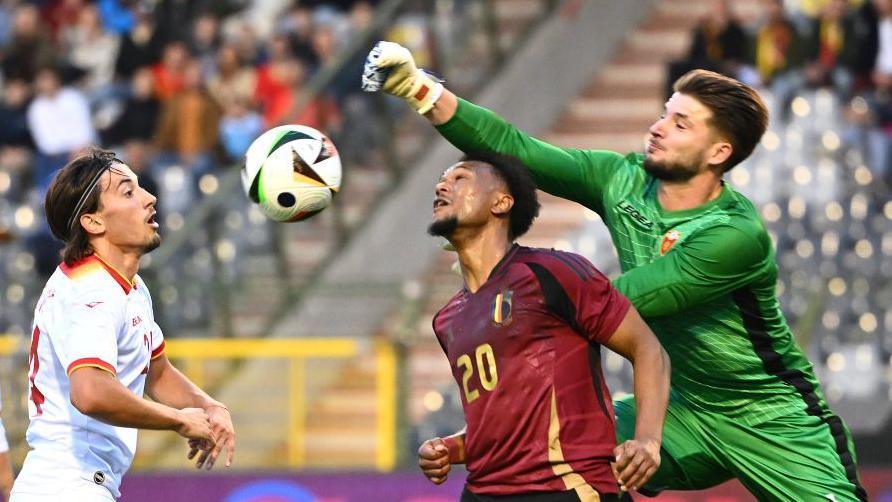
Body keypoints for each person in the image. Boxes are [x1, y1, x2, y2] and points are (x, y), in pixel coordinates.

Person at [363, 42, 868, 501]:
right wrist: (419, 88)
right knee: (566, 444)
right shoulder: (622, 179)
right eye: (665, 114)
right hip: (676, 406)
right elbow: (514, 147)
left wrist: (525, 294)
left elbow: (619, 300)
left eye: (681, 124)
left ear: (719, 153)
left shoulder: (734, 234)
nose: (658, 127)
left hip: (769, 413)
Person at [415, 151, 670, 501]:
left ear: (502, 203)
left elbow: (648, 349)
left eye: (461, 179)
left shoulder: (551, 272)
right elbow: (498, 418)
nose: (442, 184)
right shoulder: (447, 318)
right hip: (481, 492)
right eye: (443, 179)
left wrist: (647, 440)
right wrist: (452, 447)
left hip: (565, 486)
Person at [11, 149, 236, 502]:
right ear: (93, 222)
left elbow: (157, 372)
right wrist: (178, 420)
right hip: (67, 486)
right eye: (128, 192)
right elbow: (91, 392)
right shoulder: (90, 292)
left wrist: (208, 407)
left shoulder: (129, 286)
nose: (150, 198)